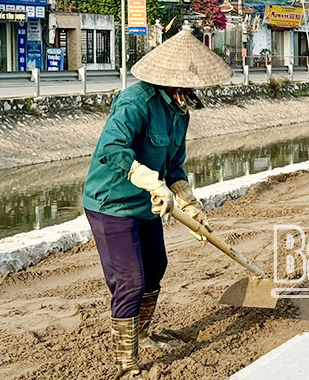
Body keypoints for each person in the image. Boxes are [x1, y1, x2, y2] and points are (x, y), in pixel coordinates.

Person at [81, 29, 232, 378]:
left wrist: (187, 199)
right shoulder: (136, 103)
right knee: (130, 280)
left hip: (147, 203)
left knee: (156, 268)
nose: (196, 93)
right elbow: (111, 150)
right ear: (171, 81)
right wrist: (150, 181)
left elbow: (174, 165)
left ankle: (142, 333)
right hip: (112, 203)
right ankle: (126, 361)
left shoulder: (180, 112)